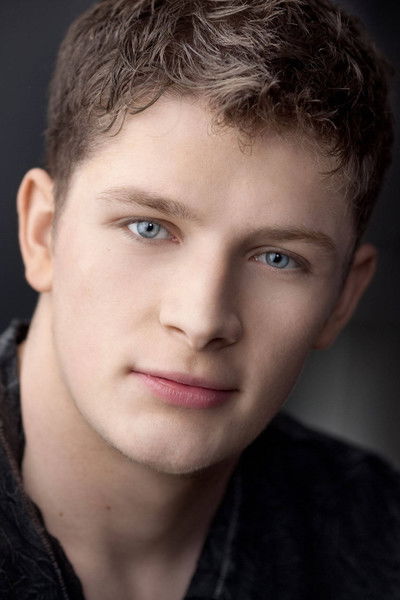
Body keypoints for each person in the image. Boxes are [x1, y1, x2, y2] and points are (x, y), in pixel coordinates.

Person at [1, 0, 399, 598]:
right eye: (148, 228)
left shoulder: (380, 542)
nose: (201, 319)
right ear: (42, 233)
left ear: (344, 297)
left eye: (277, 258)